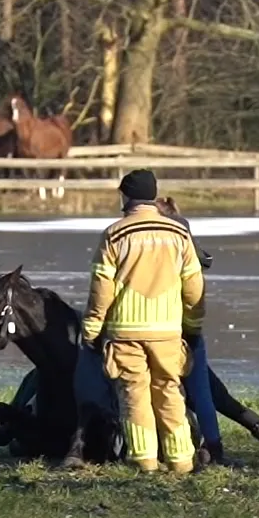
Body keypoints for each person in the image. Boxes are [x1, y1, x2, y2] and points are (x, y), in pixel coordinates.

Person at [155, 196, 259, 466]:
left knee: (198, 394)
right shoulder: (183, 235)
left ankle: (209, 449)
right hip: (185, 327)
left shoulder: (167, 235)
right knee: (214, 395)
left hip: (172, 329)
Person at [81, 170, 205, 474]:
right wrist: (193, 324)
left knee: (133, 393)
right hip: (168, 331)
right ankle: (181, 460)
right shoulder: (179, 234)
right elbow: (193, 286)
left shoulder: (114, 234)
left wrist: (92, 328)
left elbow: (102, 288)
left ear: (125, 197)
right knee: (170, 391)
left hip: (126, 330)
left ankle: (145, 459)